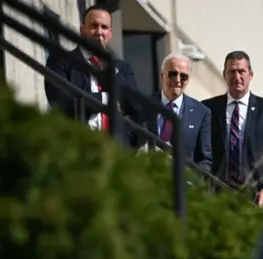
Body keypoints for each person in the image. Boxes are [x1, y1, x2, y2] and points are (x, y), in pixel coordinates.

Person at [202, 50, 263, 208]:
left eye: (241, 71)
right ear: (224, 74)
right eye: (232, 72)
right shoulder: (207, 109)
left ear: (250, 74)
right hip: (217, 198)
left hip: (256, 199)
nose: (237, 77)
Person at [44, 4, 139, 148]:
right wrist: (107, 99)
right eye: (94, 26)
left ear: (110, 33)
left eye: (104, 27)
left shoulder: (122, 68)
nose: (99, 32)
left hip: (115, 152)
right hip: (76, 147)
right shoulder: (60, 61)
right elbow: (60, 102)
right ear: (82, 30)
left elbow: (136, 107)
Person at [136, 53, 212, 172]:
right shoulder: (142, 106)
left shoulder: (201, 112)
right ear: (162, 76)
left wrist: (192, 182)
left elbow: (204, 160)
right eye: (172, 74)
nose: (177, 80)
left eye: (183, 76)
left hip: (183, 185)